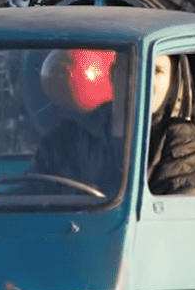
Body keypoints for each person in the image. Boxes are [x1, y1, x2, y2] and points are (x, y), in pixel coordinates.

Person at [26, 48, 125, 196]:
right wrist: (1, 200)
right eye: (124, 72)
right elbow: (32, 191)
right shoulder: (61, 141)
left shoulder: (163, 136)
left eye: (156, 72)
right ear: (112, 74)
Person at [146, 54, 195, 196]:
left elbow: (179, 211)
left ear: (171, 85)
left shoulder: (187, 144)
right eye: (134, 67)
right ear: (114, 73)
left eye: (156, 71)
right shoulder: (90, 131)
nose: (144, 79)